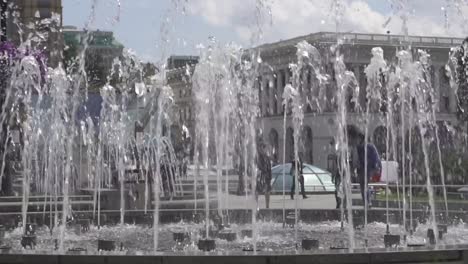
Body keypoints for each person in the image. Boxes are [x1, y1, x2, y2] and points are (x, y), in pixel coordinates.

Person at [347, 126, 381, 207]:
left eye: (355, 139)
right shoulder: (357, 148)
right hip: (361, 169)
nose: (353, 141)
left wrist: (376, 167)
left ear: (360, 138)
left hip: (368, 169)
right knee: (363, 186)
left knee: (364, 185)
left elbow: (375, 157)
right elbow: (354, 160)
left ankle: (368, 202)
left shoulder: (369, 146)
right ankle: (366, 202)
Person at [256, 140, 272, 208]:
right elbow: (256, 166)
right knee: (256, 190)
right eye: (261, 147)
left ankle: (267, 206)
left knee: (267, 191)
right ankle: (256, 205)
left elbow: (269, 167)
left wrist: (270, 176)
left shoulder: (267, 157)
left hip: (266, 176)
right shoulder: (257, 157)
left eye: (263, 147)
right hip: (259, 176)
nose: (262, 149)